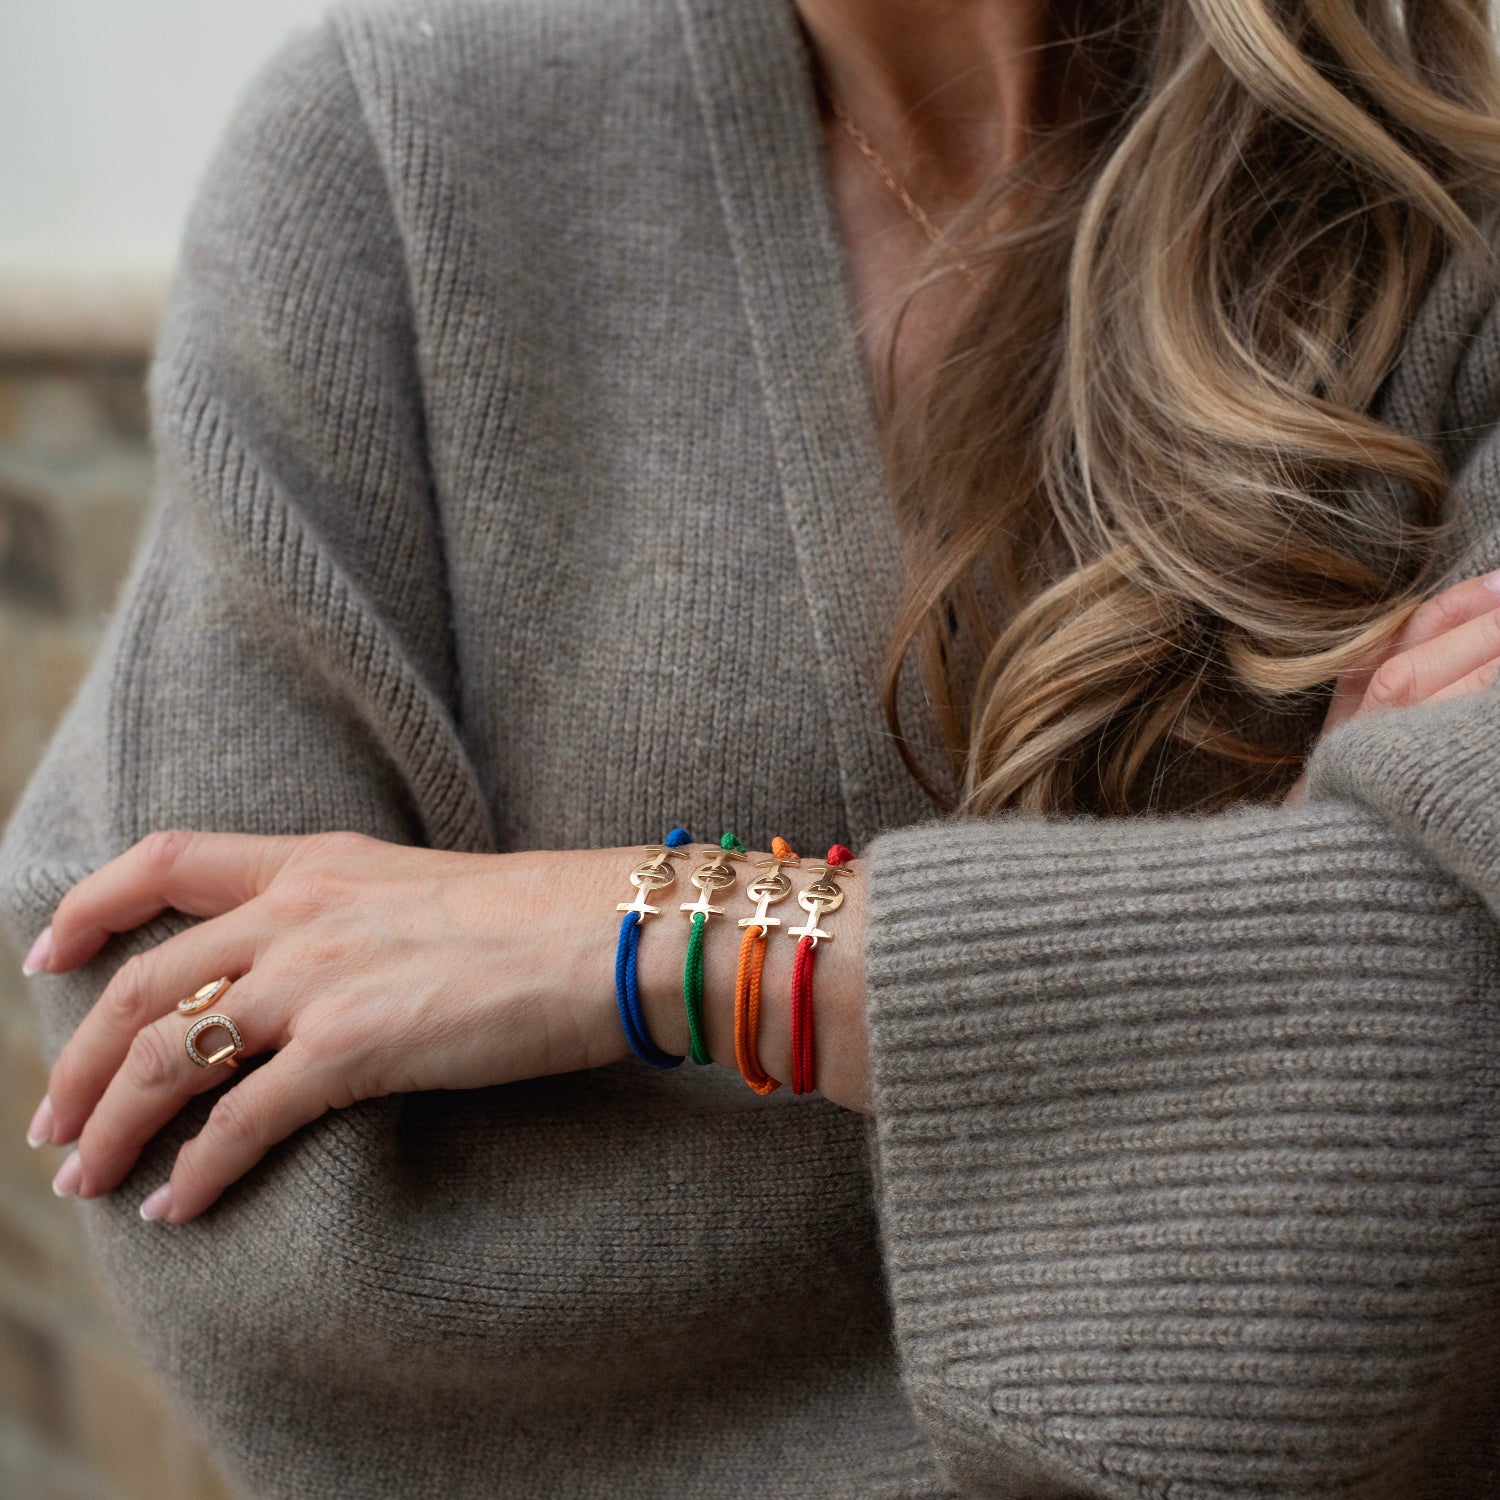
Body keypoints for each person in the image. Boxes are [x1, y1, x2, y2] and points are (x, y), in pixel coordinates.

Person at [2, 0, 1499, 1494]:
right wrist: (1245, 984)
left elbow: (1461, 1047)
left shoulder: (1444, 213)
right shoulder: (396, 151)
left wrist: (677, 936)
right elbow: (191, 1080)